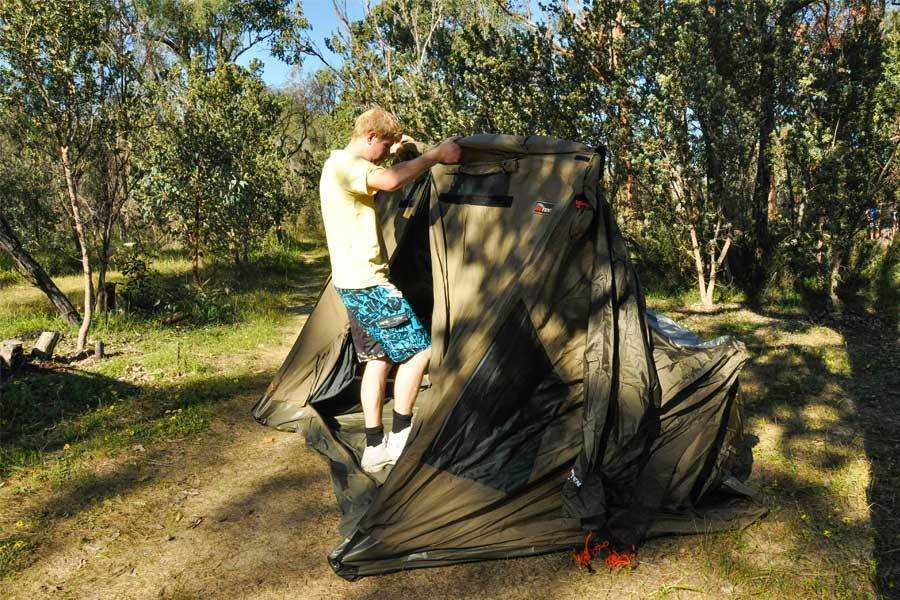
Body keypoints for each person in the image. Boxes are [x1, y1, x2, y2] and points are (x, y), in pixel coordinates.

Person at [319, 106, 461, 473]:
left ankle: (373, 446)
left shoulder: (337, 165)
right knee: (419, 353)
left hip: (350, 281)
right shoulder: (346, 165)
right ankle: (400, 437)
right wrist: (434, 156)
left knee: (377, 360)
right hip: (368, 283)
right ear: (369, 138)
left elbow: (377, 175)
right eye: (383, 145)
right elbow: (387, 182)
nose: (385, 153)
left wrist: (398, 150)